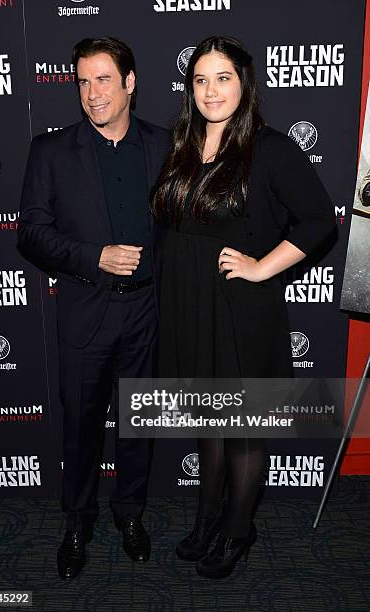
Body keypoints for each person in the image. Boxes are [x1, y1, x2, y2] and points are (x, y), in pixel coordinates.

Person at [151, 35, 335, 579]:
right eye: (201, 79)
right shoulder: (182, 143)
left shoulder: (270, 147)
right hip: (188, 303)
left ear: (245, 84)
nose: (210, 90)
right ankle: (208, 518)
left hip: (239, 307)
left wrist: (260, 266)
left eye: (223, 78)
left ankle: (238, 530)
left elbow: (320, 219)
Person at [18, 37, 170, 580]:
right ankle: (77, 524)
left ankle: (130, 515)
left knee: (139, 426)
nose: (91, 93)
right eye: (82, 81)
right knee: (80, 430)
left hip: (147, 315)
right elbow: (30, 234)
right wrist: (94, 257)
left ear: (130, 83)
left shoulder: (165, 145)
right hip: (85, 314)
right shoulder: (51, 151)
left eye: (103, 79)